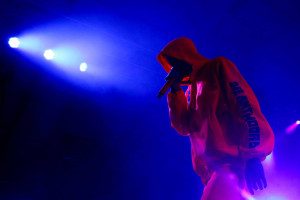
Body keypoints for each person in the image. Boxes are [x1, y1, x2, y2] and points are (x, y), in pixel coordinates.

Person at [157, 37, 275, 200]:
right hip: (211, 171)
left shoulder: (217, 67)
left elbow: (244, 106)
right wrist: (175, 89)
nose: (173, 68)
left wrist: (253, 156)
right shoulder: (189, 93)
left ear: (185, 56)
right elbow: (182, 127)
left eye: (174, 62)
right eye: (170, 64)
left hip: (232, 163)